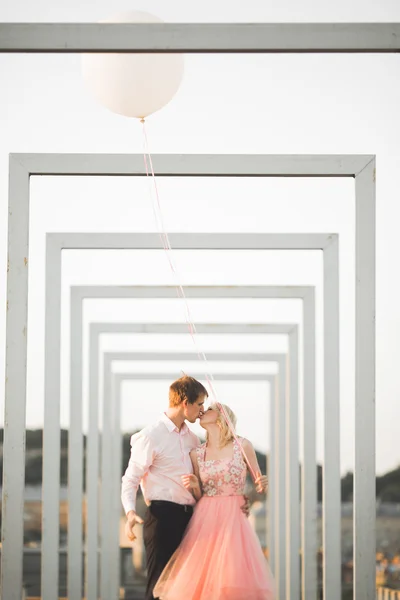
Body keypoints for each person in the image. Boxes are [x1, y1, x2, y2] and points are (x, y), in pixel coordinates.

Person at [153, 402, 275, 600]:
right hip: (206, 518)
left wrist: (262, 485)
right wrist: (194, 485)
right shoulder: (197, 454)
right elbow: (200, 495)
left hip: (234, 518)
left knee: (231, 576)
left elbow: (259, 486)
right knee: (203, 578)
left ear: (221, 416)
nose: (202, 411)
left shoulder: (243, 445)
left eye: (208, 409)